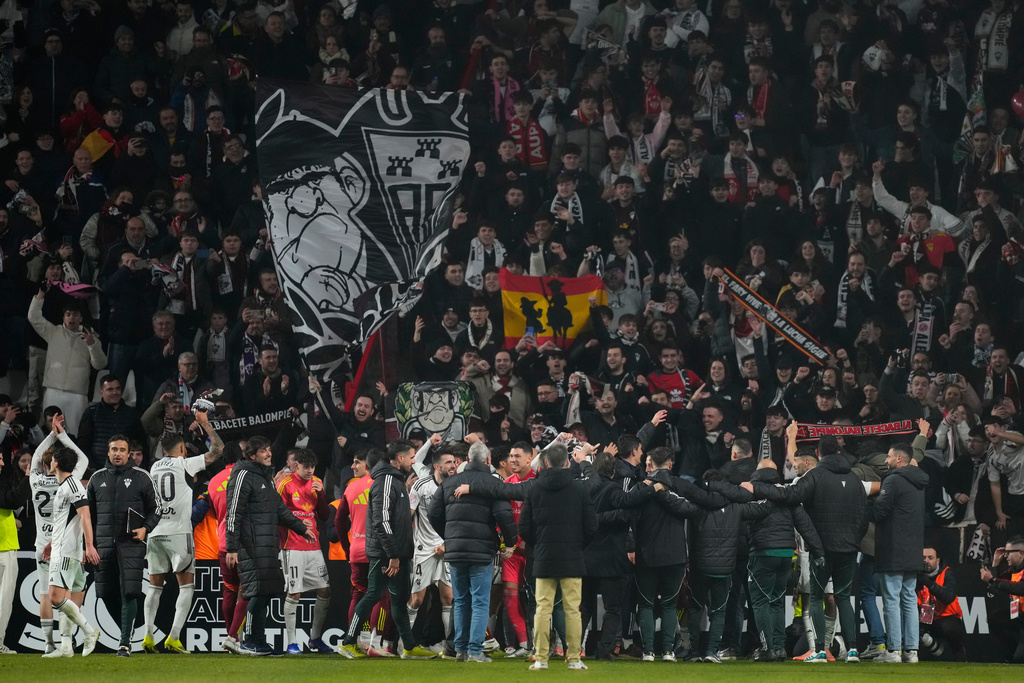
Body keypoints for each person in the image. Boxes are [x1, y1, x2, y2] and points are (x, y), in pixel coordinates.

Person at [745, 423, 867, 663]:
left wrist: (757, 488)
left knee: (817, 598)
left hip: (822, 548)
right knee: (843, 598)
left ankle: (819, 650)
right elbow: (864, 515)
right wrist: (855, 539)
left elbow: (791, 494)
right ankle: (853, 650)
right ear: (839, 451)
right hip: (849, 548)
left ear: (819, 453)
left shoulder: (816, 475)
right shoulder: (855, 478)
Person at [337, 440, 439, 660]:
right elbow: (381, 522)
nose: (414, 461)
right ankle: (348, 642)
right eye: (412, 457)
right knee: (373, 594)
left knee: (399, 600)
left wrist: (400, 554)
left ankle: (409, 646)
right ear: (399, 458)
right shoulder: (384, 481)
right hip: (385, 554)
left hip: (399, 554)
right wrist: (392, 554)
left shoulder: (396, 480)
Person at [224, 436, 316, 656]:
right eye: (263, 451)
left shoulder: (265, 477)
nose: (269, 453)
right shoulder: (242, 475)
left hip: (267, 544)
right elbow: (233, 512)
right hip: (250, 544)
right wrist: (232, 547)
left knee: (265, 591)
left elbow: (279, 509)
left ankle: (258, 640)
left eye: (269, 449)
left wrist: (301, 529)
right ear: (252, 455)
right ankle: (249, 640)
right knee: (256, 592)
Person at [141, 410, 223, 654]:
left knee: (154, 587)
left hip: (155, 532)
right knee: (186, 587)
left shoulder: (153, 468)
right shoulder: (185, 463)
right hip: (179, 533)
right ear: (182, 450)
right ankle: (173, 637)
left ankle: (147, 636)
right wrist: (205, 424)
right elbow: (218, 449)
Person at [428, 441, 517, 662]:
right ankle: (475, 651)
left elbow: (433, 513)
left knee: (460, 600)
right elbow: (504, 515)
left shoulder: (450, 482)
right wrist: (509, 542)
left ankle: (460, 649)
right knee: (480, 601)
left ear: (467, 459)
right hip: (482, 549)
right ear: (488, 460)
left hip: (456, 550)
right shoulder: (493, 483)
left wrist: (449, 536)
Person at [518, 443, 597, 670]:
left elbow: (523, 528)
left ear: (544, 463)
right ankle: (574, 659)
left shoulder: (534, 489)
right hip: (572, 557)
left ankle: (541, 658)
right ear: (567, 462)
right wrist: (577, 545)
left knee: (543, 608)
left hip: (543, 557)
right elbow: (591, 527)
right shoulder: (579, 489)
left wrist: (539, 544)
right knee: (572, 609)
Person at [87, 433, 161, 657]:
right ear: (108, 452)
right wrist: (87, 545)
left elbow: (157, 508)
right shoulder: (96, 478)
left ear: (129, 454)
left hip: (131, 544)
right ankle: (124, 631)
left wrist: (146, 528)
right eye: (114, 449)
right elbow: (86, 517)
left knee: (129, 592)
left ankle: (124, 643)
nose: (117, 454)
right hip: (103, 545)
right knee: (105, 593)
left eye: (122, 450)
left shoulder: (142, 477)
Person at [29, 414, 87, 655]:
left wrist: (51, 435)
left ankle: (49, 644)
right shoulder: (68, 481)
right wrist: (61, 435)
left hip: (42, 543)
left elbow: (35, 456)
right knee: (69, 594)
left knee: (46, 595)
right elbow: (83, 458)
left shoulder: (34, 480)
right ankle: (67, 641)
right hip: (65, 544)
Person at [868, 439, 928, 663]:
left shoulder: (893, 480)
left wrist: (866, 503)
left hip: (893, 548)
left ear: (899, 458)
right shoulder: (919, 481)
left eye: (889, 456)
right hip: (913, 549)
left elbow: (879, 513)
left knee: (891, 599)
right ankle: (911, 652)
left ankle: (893, 650)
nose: (886, 460)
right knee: (909, 599)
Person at [42, 442, 100, 658]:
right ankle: (66, 647)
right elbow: (66, 520)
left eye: (51, 460)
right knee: (67, 599)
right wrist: (51, 542)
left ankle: (89, 631)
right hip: (62, 548)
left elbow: (85, 515)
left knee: (56, 597)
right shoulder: (66, 486)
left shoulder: (73, 486)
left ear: (56, 463)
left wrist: (89, 546)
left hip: (67, 551)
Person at [278, 448, 334, 655]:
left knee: (324, 590)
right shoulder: (285, 484)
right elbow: (277, 513)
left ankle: (315, 638)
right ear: (296, 465)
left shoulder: (316, 482)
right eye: (306, 467)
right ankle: (292, 643)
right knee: (294, 592)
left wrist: (321, 494)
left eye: (313, 467)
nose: (310, 470)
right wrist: (299, 525)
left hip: (313, 546)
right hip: (292, 545)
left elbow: (325, 515)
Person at [407, 446, 456, 653]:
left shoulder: (457, 486)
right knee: (417, 600)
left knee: (448, 598)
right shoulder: (421, 485)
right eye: (448, 463)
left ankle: (450, 646)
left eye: (454, 462)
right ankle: (404, 644)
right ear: (436, 466)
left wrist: (448, 544)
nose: (453, 466)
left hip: (446, 548)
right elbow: (408, 515)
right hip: (424, 549)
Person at [918, 546, 967, 662]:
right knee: (909, 624)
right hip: (924, 619)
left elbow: (948, 597)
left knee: (950, 628)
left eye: (930, 558)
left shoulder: (947, 573)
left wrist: (929, 583)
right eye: (923, 558)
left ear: (938, 560)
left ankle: (959, 654)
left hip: (947, 618)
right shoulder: (916, 574)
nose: (926, 561)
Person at [980, 536, 1024, 662]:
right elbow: (994, 590)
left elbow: (1020, 588)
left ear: (1021, 553)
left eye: (1009, 552)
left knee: (1020, 659)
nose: (1006, 556)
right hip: (1020, 617)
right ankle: (1013, 652)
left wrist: (993, 581)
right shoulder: (1012, 571)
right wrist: (995, 564)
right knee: (995, 618)